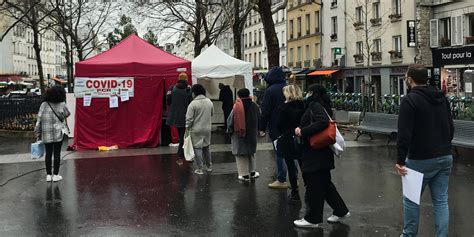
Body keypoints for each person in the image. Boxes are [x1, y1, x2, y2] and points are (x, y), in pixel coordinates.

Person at [395, 64, 454, 237]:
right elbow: (450, 128)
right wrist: (444, 147)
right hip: (444, 156)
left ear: (410, 79)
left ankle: (409, 235)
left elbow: (404, 134)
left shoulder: (409, 100)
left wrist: (400, 160)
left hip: (420, 159)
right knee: (441, 201)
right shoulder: (441, 97)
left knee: (412, 201)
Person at [293, 84, 349, 228]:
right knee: (325, 184)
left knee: (314, 186)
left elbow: (322, 122)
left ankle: (313, 219)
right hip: (322, 152)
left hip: (315, 152)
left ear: (312, 93)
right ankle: (340, 210)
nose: (307, 93)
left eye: (309, 91)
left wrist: (303, 131)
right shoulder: (322, 105)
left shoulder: (315, 105)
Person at [259, 66, 288, 189]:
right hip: (290, 125)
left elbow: (265, 111)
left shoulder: (270, 91)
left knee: (279, 152)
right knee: (292, 153)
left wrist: (262, 127)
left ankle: (281, 179)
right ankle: (294, 178)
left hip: (276, 126)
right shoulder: (289, 88)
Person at [34, 86, 70, 182]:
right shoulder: (62, 104)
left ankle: (48, 175)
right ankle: (56, 175)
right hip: (58, 133)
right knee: (57, 153)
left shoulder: (44, 104)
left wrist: (37, 134)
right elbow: (67, 114)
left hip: (46, 133)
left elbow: (39, 120)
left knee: (48, 154)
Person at [277, 85, 305, 201]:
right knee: (303, 164)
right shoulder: (304, 106)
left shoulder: (284, 107)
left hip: (288, 139)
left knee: (291, 167)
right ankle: (309, 189)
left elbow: (279, 125)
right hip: (302, 137)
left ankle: (295, 192)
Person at [228, 88, 260, 182]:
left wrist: (229, 131)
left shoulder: (237, 106)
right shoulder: (255, 105)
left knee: (241, 155)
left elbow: (230, 120)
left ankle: (244, 175)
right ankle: (252, 172)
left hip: (239, 134)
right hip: (252, 133)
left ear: (239, 95)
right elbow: (259, 116)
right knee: (251, 153)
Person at [186, 84, 214, 175]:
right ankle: (209, 166)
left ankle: (200, 168)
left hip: (196, 129)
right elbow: (212, 113)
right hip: (207, 128)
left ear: (194, 93)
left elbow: (189, 119)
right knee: (206, 147)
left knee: (198, 148)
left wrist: (187, 128)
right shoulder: (209, 101)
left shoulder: (193, 104)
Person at [167, 73, 192, 166]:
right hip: (186, 116)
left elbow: (168, 101)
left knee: (181, 135)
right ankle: (181, 156)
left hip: (175, 116)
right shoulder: (189, 90)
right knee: (184, 136)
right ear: (186, 79)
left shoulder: (172, 88)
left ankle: (182, 156)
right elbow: (191, 103)